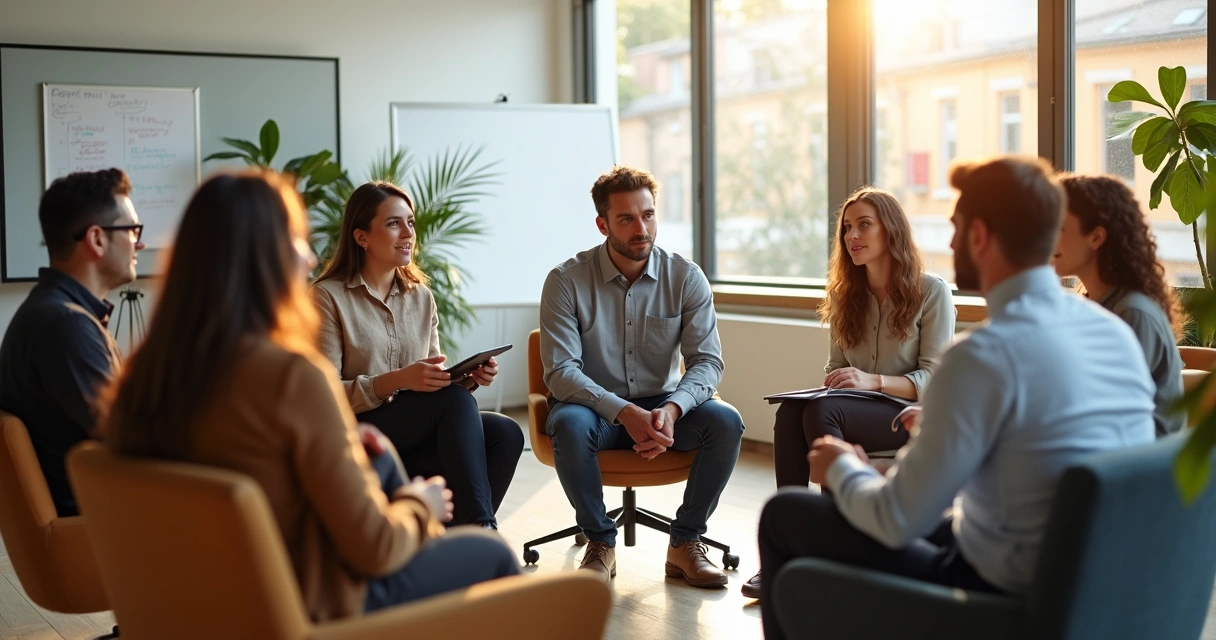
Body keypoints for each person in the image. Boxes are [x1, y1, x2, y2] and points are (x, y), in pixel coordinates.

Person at [755, 156, 1155, 640]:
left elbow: (896, 520)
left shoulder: (982, 355)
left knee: (783, 516)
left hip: (998, 593)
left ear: (980, 236)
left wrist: (845, 469)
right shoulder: (1114, 333)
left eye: (955, 227)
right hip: (1094, 586)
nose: (948, 242)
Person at [102, 170, 519, 621]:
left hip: (206, 603)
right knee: (490, 554)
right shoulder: (292, 376)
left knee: (494, 431)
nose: (306, 258)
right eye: (297, 239)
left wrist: (462, 378)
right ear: (264, 256)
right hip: (310, 604)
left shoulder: (141, 378)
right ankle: (469, 538)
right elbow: (374, 547)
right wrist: (420, 506)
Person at [540, 164, 745, 588]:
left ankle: (685, 542)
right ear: (602, 224)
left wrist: (672, 408)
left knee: (726, 422)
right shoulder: (565, 282)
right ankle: (600, 542)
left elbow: (708, 362)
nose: (641, 228)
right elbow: (561, 373)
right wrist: (623, 413)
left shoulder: (685, 277)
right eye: (626, 218)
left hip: (663, 410)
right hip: (595, 411)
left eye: (648, 214)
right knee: (567, 423)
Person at [745, 187, 955, 598]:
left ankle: (831, 549)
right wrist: (839, 381)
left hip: (906, 416)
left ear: (890, 230)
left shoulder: (932, 292)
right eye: (846, 228)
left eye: (864, 225)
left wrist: (872, 381)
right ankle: (788, 547)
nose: (852, 236)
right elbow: (836, 369)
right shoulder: (845, 296)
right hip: (853, 410)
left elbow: (934, 378)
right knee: (791, 413)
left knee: (824, 416)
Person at [311, 181, 523, 529]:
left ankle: (459, 540)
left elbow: (434, 381)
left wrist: (464, 378)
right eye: (393, 223)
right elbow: (326, 397)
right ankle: (483, 533)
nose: (407, 232)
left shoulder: (421, 297)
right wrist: (394, 381)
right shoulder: (327, 298)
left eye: (410, 222)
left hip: (414, 427)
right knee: (453, 403)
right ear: (361, 237)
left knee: (505, 432)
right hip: (358, 432)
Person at [0, 168, 144, 517]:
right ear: (96, 239)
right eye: (132, 230)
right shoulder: (65, 327)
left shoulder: (56, 313)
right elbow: (133, 439)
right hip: (104, 530)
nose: (139, 243)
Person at [1053, 174, 1185, 436]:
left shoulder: (1132, 312)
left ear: (1096, 237)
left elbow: (1114, 414)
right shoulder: (1092, 303)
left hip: (1138, 464)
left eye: (1059, 228)